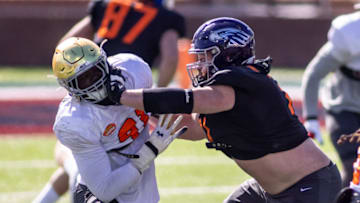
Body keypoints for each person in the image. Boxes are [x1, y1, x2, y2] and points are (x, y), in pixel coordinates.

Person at [106, 17, 342, 203]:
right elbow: (194, 127)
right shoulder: (221, 94)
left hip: (309, 185)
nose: (200, 62)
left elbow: (186, 100)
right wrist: (140, 111)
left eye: (207, 55)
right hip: (267, 190)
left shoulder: (240, 83)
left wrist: (123, 95)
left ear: (229, 53)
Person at [33, 1, 185, 202]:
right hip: (100, 191)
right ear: (68, 88)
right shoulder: (75, 120)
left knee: (81, 159)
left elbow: (66, 43)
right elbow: (104, 189)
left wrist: (154, 102)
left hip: (134, 175)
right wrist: (149, 151)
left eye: (94, 74)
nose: (93, 84)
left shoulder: (135, 71)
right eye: (83, 80)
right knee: (83, 160)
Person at [301, 4, 360, 187]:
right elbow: (314, 74)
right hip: (344, 109)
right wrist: (311, 117)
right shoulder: (349, 33)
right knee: (353, 170)